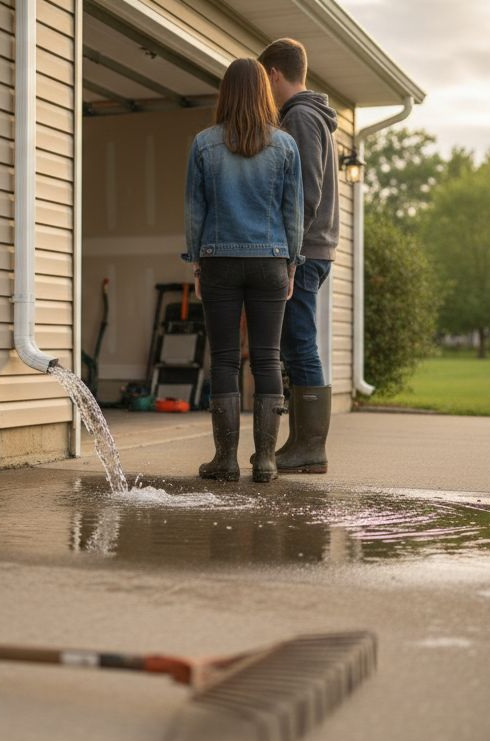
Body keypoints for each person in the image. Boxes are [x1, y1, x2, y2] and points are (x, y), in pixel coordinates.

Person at [184, 58, 304, 483]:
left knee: (224, 360)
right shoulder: (285, 146)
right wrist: (291, 263)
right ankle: (267, 460)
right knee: (268, 357)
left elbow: (195, 211)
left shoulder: (203, 144)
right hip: (270, 259)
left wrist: (196, 261)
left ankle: (225, 460)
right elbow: (293, 214)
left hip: (218, 260)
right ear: (263, 92)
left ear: (226, 93)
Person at [258, 38, 338, 474]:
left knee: (300, 343)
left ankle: (310, 447)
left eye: (263, 81)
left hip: (304, 250)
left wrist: (289, 255)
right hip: (310, 247)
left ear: (272, 74)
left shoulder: (302, 118)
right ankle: (304, 445)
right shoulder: (309, 116)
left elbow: (305, 193)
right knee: (295, 343)